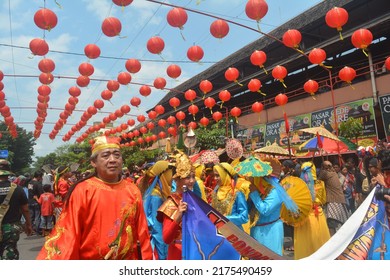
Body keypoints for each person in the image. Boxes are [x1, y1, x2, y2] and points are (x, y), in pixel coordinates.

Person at [37, 136, 153, 260]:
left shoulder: (132, 190)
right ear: (93, 162)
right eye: (106, 155)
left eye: (117, 155)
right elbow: (68, 234)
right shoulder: (82, 191)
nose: (112, 160)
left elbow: (142, 231)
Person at [157, 151, 195, 260]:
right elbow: (166, 238)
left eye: (193, 176)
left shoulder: (194, 200)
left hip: (195, 250)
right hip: (178, 253)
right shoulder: (170, 203)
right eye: (187, 177)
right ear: (176, 180)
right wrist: (178, 215)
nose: (192, 181)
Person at [140, 160, 173, 260]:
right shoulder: (156, 196)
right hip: (160, 241)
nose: (172, 176)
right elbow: (156, 225)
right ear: (163, 175)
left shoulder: (162, 191)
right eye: (171, 173)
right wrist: (163, 246)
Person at [0, 160, 33, 259]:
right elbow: (25, 209)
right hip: (11, 228)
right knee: (10, 253)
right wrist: (28, 224)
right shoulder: (17, 189)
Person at [211, 162, 249, 231]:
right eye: (214, 175)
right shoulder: (216, 190)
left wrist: (226, 218)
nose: (215, 178)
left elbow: (244, 217)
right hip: (218, 233)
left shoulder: (237, 193)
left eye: (217, 175)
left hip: (234, 234)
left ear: (225, 175)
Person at [318, 160, 350, 236]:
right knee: (339, 221)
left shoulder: (327, 174)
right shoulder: (334, 174)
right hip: (339, 200)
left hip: (333, 200)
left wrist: (322, 167)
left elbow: (318, 178)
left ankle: (333, 240)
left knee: (331, 222)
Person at [27, 170, 43, 235]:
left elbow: (30, 192)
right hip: (36, 201)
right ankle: (37, 230)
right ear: (39, 176)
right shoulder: (37, 183)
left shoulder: (30, 183)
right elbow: (41, 193)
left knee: (31, 216)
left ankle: (30, 229)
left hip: (30, 201)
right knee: (37, 216)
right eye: (41, 177)